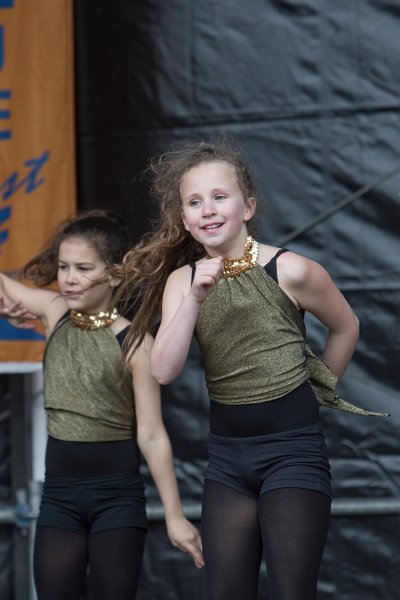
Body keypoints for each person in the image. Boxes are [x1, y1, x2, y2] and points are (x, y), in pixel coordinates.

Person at [112, 139, 386, 600]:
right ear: (184, 219)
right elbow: (163, 371)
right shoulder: (183, 282)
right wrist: (195, 298)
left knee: (292, 589)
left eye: (220, 196)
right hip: (228, 460)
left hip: (292, 451)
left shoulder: (292, 270)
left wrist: (319, 387)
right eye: (195, 202)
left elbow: (346, 326)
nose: (208, 209)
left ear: (248, 206)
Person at [0, 210, 203, 600]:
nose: (69, 278)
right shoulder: (55, 311)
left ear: (112, 274)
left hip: (117, 498)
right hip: (59, 495)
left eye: (82, 268)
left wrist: (175, 516)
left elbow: (152, 434)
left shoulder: (135, 345)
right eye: (63, 267)